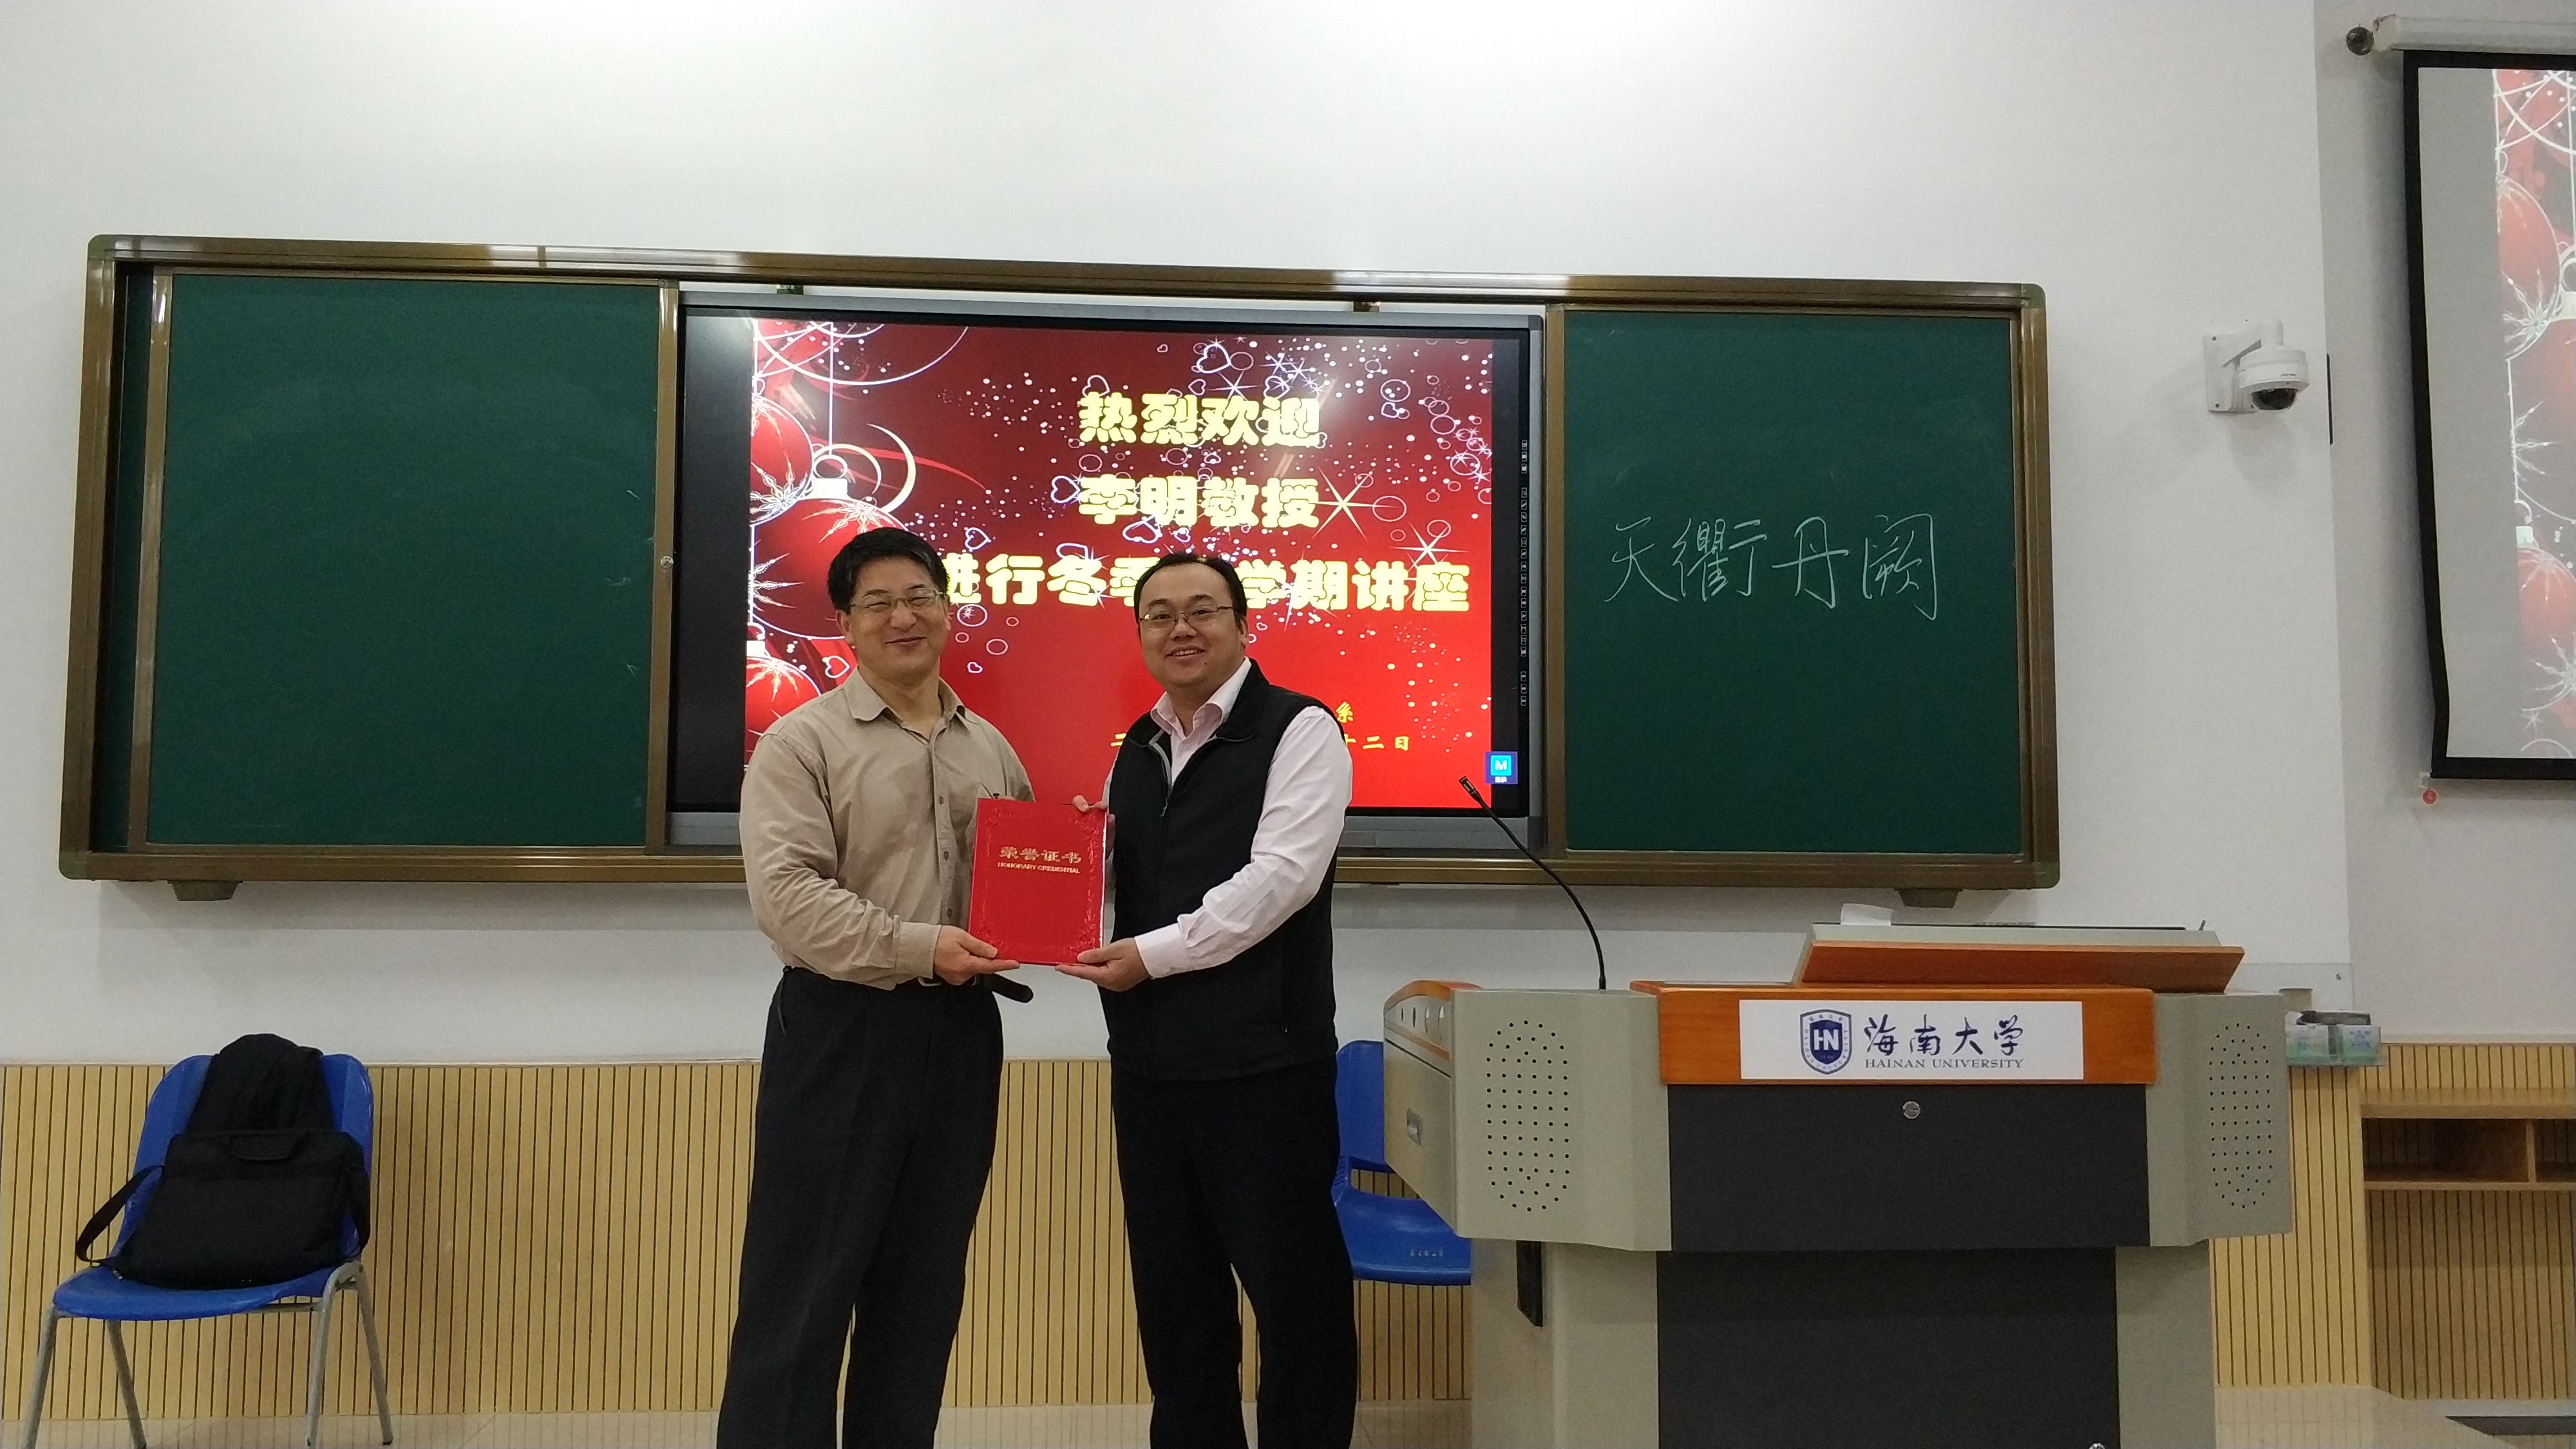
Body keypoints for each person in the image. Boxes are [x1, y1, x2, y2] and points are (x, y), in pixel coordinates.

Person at [719, 526, 1030, 1449]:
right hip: (841, 1030)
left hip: (960, 1035)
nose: (904, 616)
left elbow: (1017, 884)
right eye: (879, 603)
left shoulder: (991, 747)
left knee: (923, 1289)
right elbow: (788, 900)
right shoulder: (800, 743)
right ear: (846, 625)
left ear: (949, 610)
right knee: (802, 1292)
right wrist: (921, 946)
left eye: (920, 597)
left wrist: (1072, 858)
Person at [1058, 553, 1358, 1449]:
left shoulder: (1300, 729)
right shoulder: (1140, 746)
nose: (1180, 628)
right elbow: (1134, 884)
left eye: (1202, 610)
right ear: (1140, 633)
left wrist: (1150, 957)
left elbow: (1281, 881)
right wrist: (1074, 867)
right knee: (1176, 1302)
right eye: (1159, 614)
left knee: (1295, 1300)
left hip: (1264, 1067)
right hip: (1150, 1069)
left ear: (1242, 623)